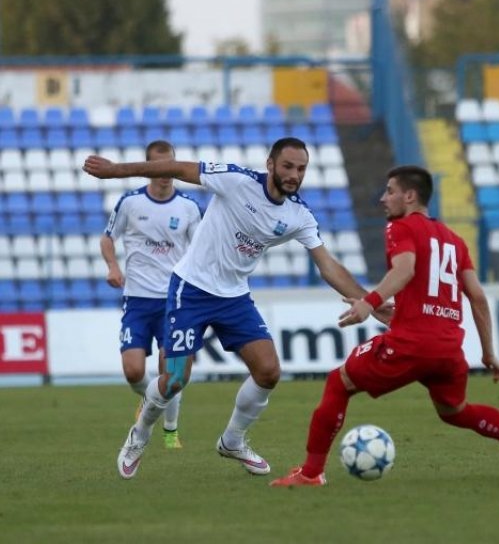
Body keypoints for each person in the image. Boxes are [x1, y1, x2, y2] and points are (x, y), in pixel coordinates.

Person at [84, 136, 386, 480]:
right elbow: (176, 167)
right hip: (191, 289)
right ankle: (139, 435)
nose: (294, 175)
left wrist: (370, 301)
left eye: (301, 169)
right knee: (176, 379)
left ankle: (233, 440)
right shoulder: (236, 180)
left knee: (269, 371)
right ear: (270, 164)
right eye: (287, 166)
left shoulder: (298, 215)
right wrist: (114, 171)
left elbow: (327, 263)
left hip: (234, 297)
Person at [270, 165, 499, 487]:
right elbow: (478, 298)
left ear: (410, 196)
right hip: (448, 349)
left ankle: (311, 473)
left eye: (390, 191)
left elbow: (405, 271)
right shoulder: (455, 241)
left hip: (411, 345)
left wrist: (368, 304)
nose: (383, 199)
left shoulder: (401, 228)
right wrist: (488, 353)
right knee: (456, 411)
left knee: (338, 382)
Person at [100, 139, 202, 450]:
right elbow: (107, 239)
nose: (165, 171)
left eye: (169, 163)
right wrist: (113, 267)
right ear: (148, 168)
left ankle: (170, 430)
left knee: (169, 372)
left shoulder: (188, 207)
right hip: (138, 299)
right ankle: (148, 398)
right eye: (158, 166)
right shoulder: (130, 203)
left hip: (175, 301)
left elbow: (201, 251)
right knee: (133, 371)